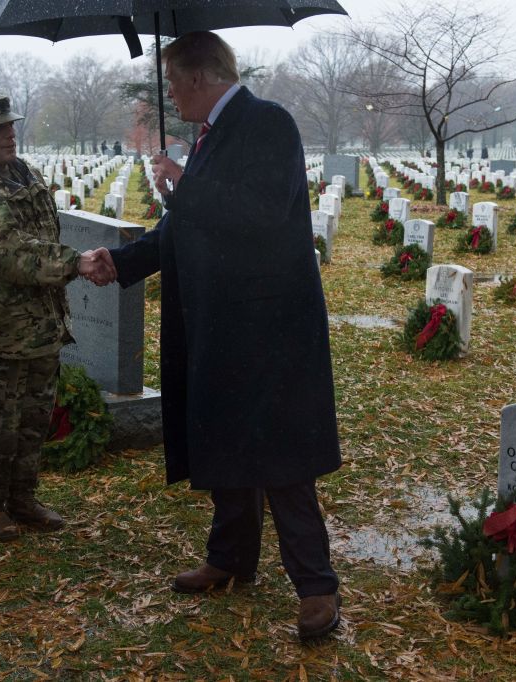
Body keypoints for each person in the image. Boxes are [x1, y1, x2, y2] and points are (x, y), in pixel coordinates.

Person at [85, 32, 342, 641]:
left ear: (200, 78)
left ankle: (317, 586)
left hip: (268, 325)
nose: (170, 96)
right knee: (225, 437)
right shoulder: (207, 138)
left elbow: (265, 212)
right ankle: (230, 559)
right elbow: (183, 228)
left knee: (280, 457)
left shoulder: (267, 123)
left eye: (173, 83)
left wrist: (186, 181)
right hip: (218, 321)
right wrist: (120, 263)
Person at [0, 93, 112, 542]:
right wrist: (76, 263)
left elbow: (43, 232)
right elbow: (7, 253)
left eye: (9, 125)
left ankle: (23, 497)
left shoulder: (25, 175)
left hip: (39, 326)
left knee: (33, 421)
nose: (7, 134)